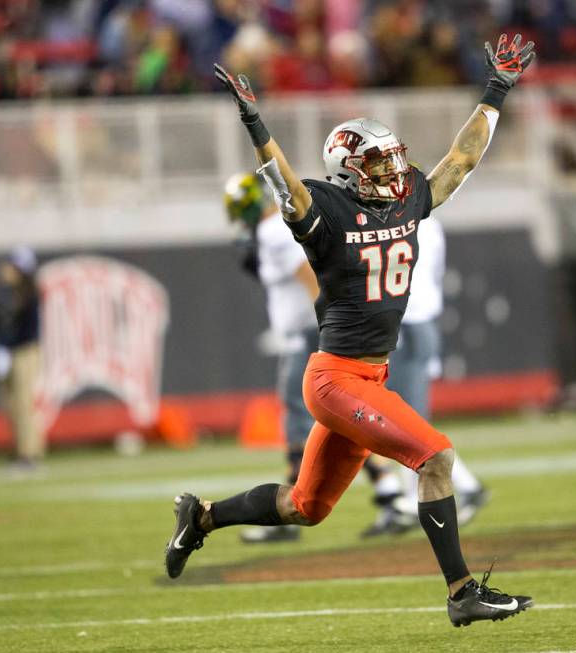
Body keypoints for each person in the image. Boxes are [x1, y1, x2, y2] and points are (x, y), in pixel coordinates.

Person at [165, 33, 537, 627]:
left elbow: (461, 159)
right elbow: (286, 188)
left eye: (393, 156)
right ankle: (461, 591)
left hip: (367, 374)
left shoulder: (410, 196)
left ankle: (201, 515)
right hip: (336, 378)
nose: (393, 168)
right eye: (377, 161)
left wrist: (497, 89)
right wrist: (257, 124)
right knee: (436, 459)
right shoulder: (328, 212)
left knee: (305, 506)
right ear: (347, 169)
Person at [223, 171, 405, 543]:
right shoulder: (274, 230)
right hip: (309, 332)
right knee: (338, 422)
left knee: (300, 418)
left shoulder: (274, 232)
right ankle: (389, 490)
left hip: (309, 334)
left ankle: (289, 509)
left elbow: (311, 277)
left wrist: (329, 327)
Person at [366, 217, 489, 537]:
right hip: (422, 320)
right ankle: (445, 490)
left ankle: (461, 487)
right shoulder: (429, 222)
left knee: (404, 420)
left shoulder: (398, 223)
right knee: (403, 420)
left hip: (406, 321)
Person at [0, 246, 43, 470]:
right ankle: (20, 449)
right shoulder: (8, 293)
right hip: (10, 351)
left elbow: (22, 329)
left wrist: (5, 345)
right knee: (9, 404)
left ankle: (29, 453)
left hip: (24, 351)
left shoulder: (29, 294)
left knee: (23, 404)